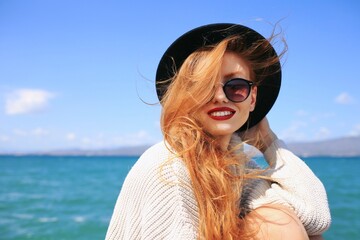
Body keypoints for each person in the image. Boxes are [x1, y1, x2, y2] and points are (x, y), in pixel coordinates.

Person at [105, 23, 331, 239]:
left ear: (252, 98)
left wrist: (268, 142)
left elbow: (313, 216)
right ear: (186, 95)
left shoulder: (233, 163)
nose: (221, 97)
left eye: (236, 87)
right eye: (205, 87)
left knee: (276, 221)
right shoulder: (171, 165)